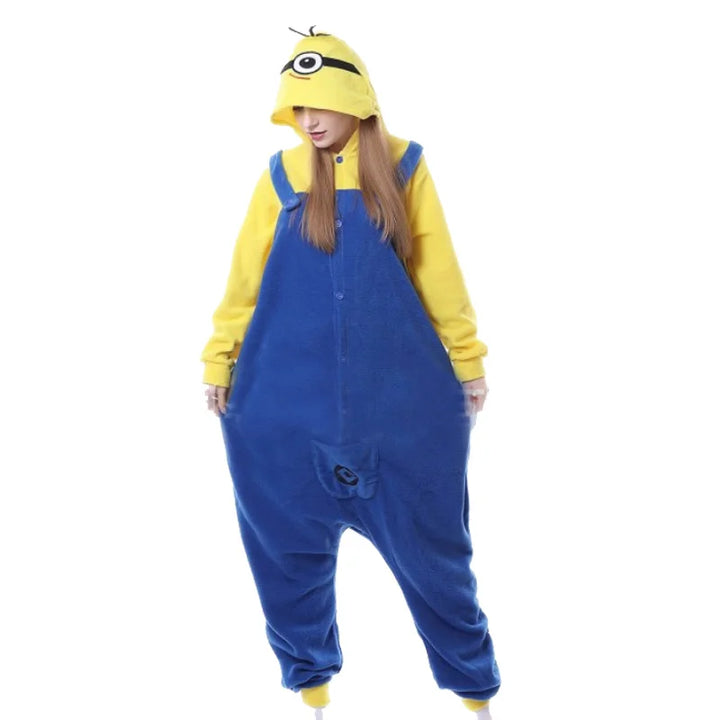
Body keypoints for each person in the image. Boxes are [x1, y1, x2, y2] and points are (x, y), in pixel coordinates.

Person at [200, 25, 501, 720]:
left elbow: (438, 270)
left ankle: (475, 694)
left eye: (319, 104)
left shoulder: (404, 166)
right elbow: (244, 280)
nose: (308, 121)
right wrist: (219, 358)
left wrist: (467, 360)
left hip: (401, 410)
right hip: (282, 408)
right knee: (285, 561)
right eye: (296, 109)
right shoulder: (281, 176)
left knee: (436, 562)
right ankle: (312, 692)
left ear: (356, 99)